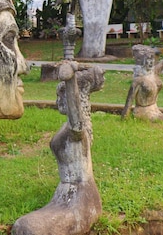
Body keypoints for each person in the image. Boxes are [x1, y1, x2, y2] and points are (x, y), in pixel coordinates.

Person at [13, 61, 104, 235]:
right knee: (23, 226)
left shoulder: (77, 128)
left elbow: (76, 115)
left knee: (28, 228)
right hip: (63, 194)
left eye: (61, 95)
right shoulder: (67, 127)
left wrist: (70, 82)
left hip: (81, 196)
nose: (57, 101)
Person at [121, 30, 163, 122]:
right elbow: (128, 104)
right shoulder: (138, 80)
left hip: (155, 110)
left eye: (152, 60)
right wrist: (124, 120)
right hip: (143, 112)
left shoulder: (154, 71)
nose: (150, 63)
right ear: (141, 62)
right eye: (147, 61)